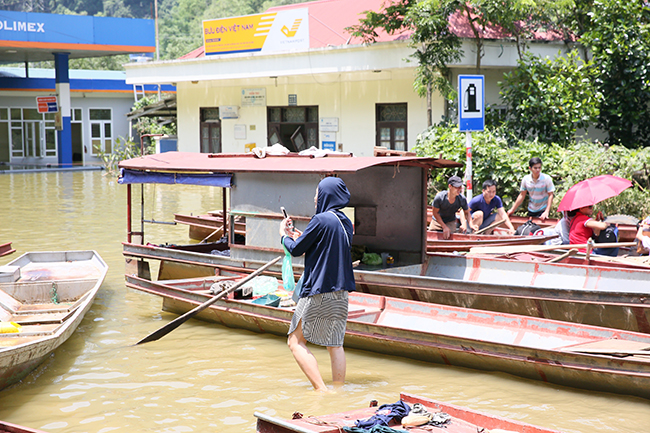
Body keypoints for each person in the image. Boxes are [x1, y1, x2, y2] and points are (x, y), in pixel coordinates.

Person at [279, 177, 355, 392]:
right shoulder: (345, 222)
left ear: (327, 195)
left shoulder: (320, 219)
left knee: (295, 342)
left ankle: (321, 391)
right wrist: (304, 237)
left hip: (319, 291)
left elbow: (295, 249)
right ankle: (338, 391)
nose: (315, 198)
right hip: (341, 292)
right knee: (335, 344)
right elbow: (327, 247)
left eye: (317, 193)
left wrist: (283, 236)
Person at [507, 157, 555, 221]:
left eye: (539, 167)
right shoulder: (526, 179)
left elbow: (551, 195)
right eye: (535, 168)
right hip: (531, 209)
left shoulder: (546, 179)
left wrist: (547, 211)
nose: (537, 170)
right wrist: (512, 209)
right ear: (530, 168)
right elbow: (522, 195)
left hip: (543, 210)